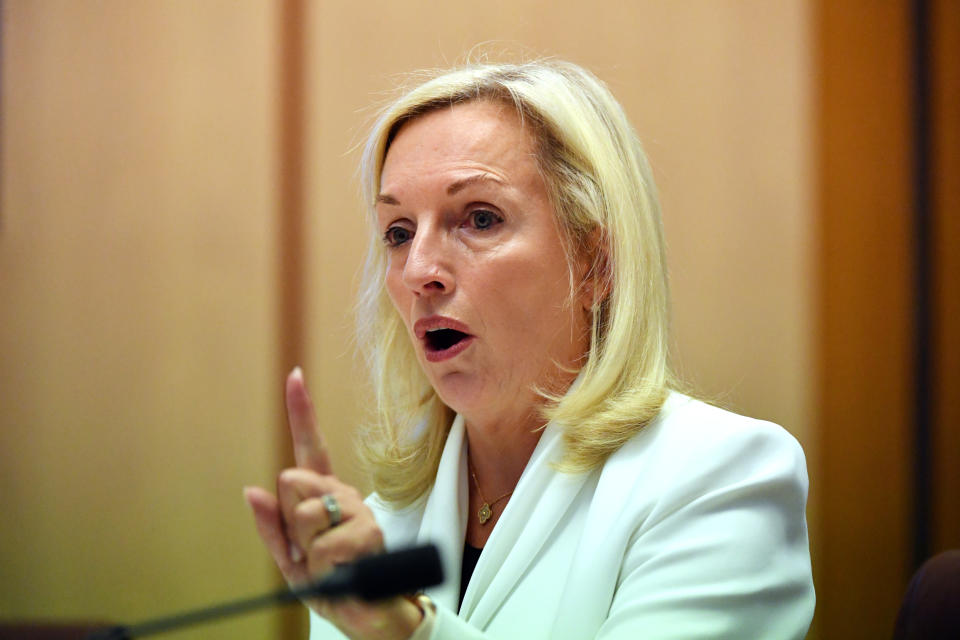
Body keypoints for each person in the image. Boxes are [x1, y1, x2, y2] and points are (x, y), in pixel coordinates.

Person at [245, 60, 815, 640]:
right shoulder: (381, 531)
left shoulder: (720, 477)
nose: (419, 270)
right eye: (398, 231)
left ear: (597, 264)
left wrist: (405, 629)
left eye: (479, 218)